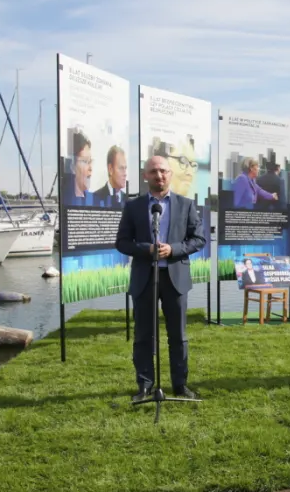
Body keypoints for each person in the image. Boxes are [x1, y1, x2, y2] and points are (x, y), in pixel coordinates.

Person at [115, 155, 208, 397]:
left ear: (171, 174)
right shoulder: (133, 206)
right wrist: (146, 249)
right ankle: (144, 386)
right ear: (145, 175)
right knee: (144, 334)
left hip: (175, 278)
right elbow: (122, 242)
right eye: (154, 171)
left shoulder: (186, 205)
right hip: (144, 278)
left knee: (178, 335)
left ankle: (180, 385)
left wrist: (173, 249)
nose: (160, 176)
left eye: (164, 171)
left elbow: (199, 239)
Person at [67, 132, 94, 206]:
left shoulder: (94, 199)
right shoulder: (67, 199)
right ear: (73, 167)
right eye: (85, 161)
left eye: (90, 161)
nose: (90, 168)